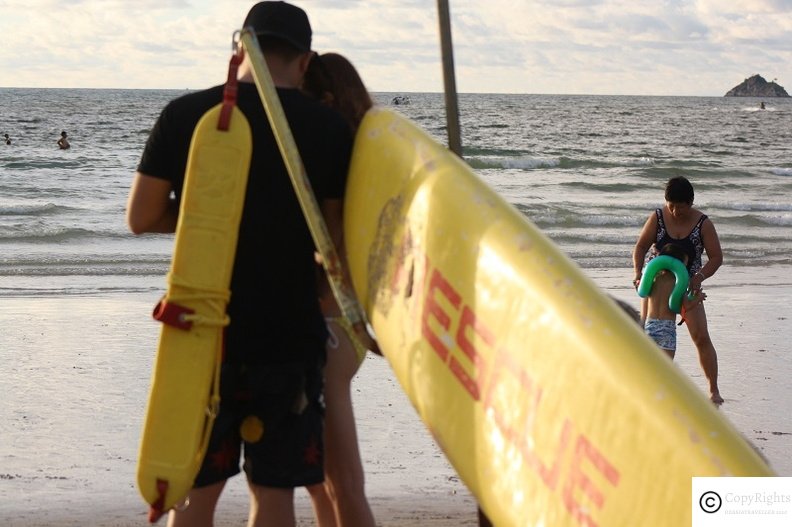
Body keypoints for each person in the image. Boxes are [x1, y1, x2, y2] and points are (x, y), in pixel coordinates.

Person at [127, 3, 368, 526]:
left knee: (195, 489)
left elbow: (141, 217)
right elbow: (335, 244)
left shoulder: (186, 114)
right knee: (273, 492)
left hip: (202, 336)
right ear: (305, 63)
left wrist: (212, 216)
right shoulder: (330, 129)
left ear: (240, 49)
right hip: (289, 339)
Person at [302, 52, 377, 527]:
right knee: (320, 480)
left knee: (342, 481)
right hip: (343, 323)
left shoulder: (336, 160)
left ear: (324, 99)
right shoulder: (364, 157)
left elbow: (338, 249)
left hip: (332, 322)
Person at [633, 176, 724, 404]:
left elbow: (716, 258)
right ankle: (643, 387)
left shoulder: (703, 224)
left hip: (687, 283)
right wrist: (637, 273)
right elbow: (641, 247)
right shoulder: (658, 217)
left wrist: (698, 277)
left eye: (680, 207)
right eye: (670, 205)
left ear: (690, 203)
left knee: (701, 337)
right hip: (656, 282)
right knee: (646, 334)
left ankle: (713, 389)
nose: (674, 211)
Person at [642, 243, 706, 359]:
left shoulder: (654, 278)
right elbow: (685, 305)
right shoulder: (678, 283)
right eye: (685, 264)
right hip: (667, 329)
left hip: (650, 326)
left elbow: (644, 294)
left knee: (649, 366)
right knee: (665, 369)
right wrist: (698, 299)